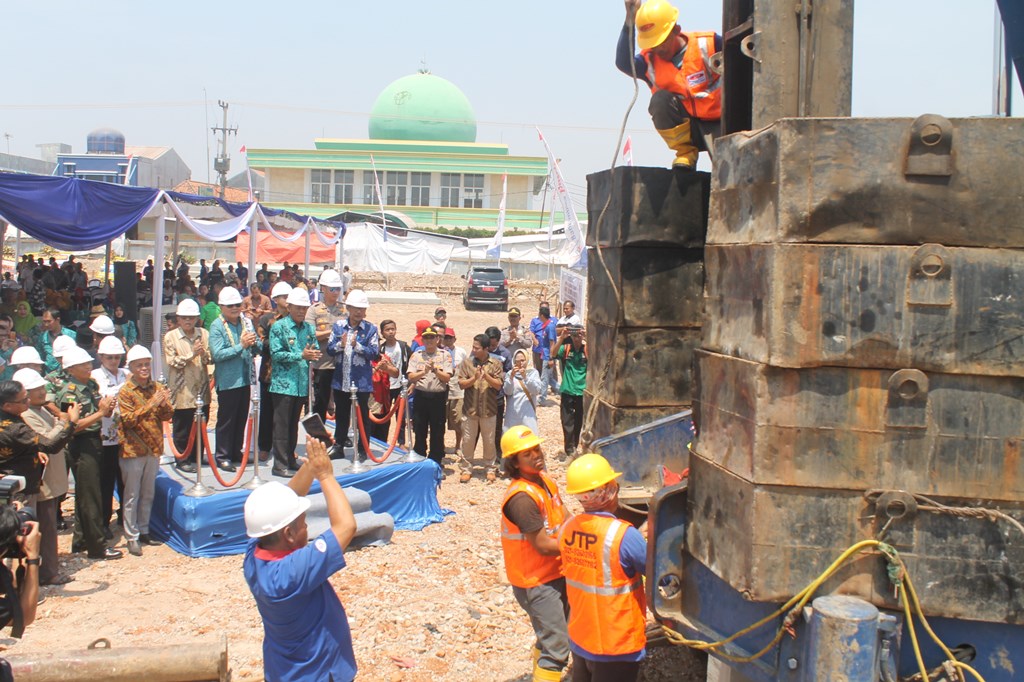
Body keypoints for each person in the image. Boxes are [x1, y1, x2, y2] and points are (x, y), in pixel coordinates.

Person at [243, 437, 358, 682]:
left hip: (283, 670)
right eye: (304, 524)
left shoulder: (255, 554)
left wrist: (311, 466)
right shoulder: (292, 572)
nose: (307, 529)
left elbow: (286, 500)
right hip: (316, 673)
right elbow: (346, 526)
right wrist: (325, 475)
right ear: (289, 533)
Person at [561, 454, 647, 682]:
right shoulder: (623, 535)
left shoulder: (568, 528)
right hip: (616, 645)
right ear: (607, 492)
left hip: (581, 638)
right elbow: (659, 572)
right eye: (613, 486)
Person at [499, 425, 570, 682]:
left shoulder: (545, 481)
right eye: (527, 453)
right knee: (557, 647)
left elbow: (565, 519)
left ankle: (540, 672)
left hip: (556, 572)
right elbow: (541, 544)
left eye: (537, 449)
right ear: (514, 463)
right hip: (536, 581)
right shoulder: (521, 499)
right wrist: (581, 547)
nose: (536, 455)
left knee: (550, 634)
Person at [618, 0, 721, 170]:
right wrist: (630, 19)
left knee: (728, 170)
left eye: (662, 41)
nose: (658, 48)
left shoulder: (709, 44)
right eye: (653, 43)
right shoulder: (649, 61)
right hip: (688, 129)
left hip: (722, 124)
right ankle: (685, 153)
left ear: (676, 30)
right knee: (659, 100)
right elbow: (623, 62)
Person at [54, 347, 120, 560]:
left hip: (95, 440)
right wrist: (101, 413)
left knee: (86, 493)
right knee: (91, 496)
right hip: (81, 444)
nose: (88, 366)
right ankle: (97, 546)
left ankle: (81, 540)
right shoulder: (69, 393)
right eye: (83, 364)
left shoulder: (90, 385)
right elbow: (72, 425)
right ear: (71, 369)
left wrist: (106, 409)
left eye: (88, 363)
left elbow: (99, 412)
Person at [18, 368, 78, 586]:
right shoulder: (27, 416)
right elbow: (49, 441)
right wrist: (66, 421)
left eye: (43, 388)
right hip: (41, 480)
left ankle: (46, 569)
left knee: (48, 524)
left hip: (50, 478)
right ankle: (47, 573)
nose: (43, 393)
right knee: (44, 526)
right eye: (37, 390)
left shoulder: (40, 410)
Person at [116, 346, 174, 557]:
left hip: (153, 447)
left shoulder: (155, 387)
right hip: (133, 449)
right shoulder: (125, 391)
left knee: (148, 492)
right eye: (139, 365)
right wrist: (152, 403)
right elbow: (128, 420)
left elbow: (167, 415)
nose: (144, 368)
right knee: (132, 494)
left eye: (146, 364)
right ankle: (131, 536)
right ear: (131, 367)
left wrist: (165, 402)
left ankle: (144, 529)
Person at [268, 288, 320, 477]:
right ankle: (279, 464)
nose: (301, 311)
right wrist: (301, 355)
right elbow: (276, 354)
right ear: (289, 307)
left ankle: (290, 458)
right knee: (281, 425)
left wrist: (313, 354)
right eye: (298, 308)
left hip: (301, 383)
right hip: (283, 384)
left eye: (304, 308)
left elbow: (313, 347)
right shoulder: (279, 327)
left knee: (292, 425)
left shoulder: (308, 328)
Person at [209, 287, 261, 472]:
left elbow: (257, 346)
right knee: (226, 419)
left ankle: (235, 451)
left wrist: (255, 343)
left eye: (237, 305)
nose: (234, 308)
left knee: (240, 417)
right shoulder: (217, 326)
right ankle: (222, 455)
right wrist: (242, 345)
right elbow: (217, 354)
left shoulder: (245, 322)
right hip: (228, 380)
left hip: (245, 378)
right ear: (222, 306)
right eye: (230, 305)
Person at [327, 290, 378, 458]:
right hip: (342, 379)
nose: (358, 312)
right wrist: (341, 345)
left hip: (361, 381)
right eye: (355, 308)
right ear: (348, 307)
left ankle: (363, 448)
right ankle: (339, 445)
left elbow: (374, 352)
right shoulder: (339, 326)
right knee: (341, 414)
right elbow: (329, 349)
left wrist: (358, 346)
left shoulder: (371, 329)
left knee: (362, 416)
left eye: (362, 309)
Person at [164, 299, 212, 475]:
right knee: (182, 425)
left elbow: (210, 359)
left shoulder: (203, 334)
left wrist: (203, 354)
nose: (188, 321)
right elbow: (172, 361)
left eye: (191, 318)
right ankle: (182, 458)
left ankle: (197, 455)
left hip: (201, 388)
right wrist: (192, 354)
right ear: (178, 319)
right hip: (182, 389)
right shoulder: (171, 336)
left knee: (201, 424)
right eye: (184, 318)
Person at [91, 336, 128, 539]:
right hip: (105, 436)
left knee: (125, 479)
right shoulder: (95, 376)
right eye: (109, 357)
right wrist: (125, 387)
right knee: (105, 481)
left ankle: (124, 515)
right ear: (101, 357)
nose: (114, 361)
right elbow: (105, 398)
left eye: (117, 357)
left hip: (125, 435)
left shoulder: (126, 373)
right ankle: (103, 521)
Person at [456, 334, 504, 483]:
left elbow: (498, 385)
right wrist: (474, 378)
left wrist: (486, 377)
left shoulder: (496, 363)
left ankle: (490, 468)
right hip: (470, 409)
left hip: (488, 410)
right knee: (468, 440)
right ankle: (466, 468)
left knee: (489, 440)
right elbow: (461, 384)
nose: (474, 350)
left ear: (485, 348)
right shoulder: (467, 364)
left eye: (477, 348)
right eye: (473, 347)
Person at [305, 269, 346, 424]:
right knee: (320, 401)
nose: (336, 292)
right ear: (323, 288)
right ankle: (319, 433)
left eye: (338, 289)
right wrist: (332, 332)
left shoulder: (344, 310)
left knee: (342, 401)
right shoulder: (314, 310)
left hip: (341, 362)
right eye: (332, 289)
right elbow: (309, 335)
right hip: (322, 363)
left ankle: (342, 435)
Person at [257, 282, 292, 463]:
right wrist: (284, 345)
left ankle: (285, 447)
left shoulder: (296, 319)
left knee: (286, 413)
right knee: (267, 411)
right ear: (276, 299)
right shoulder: (267, 320)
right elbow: (261, 343)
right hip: (270, 374)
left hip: (289, 374)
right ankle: (264, 446)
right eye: (284, 296)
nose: (287, 300)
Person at [405, 328, 452, 464]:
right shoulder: (417, 355)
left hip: (438, 397)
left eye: (432, 337)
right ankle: (419, 457)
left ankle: (435, 461)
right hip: (421, 396)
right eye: (426, 338)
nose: (429, 340)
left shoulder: (445, 355)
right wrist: (423, 372)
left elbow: (447, 378)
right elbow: (411, 376)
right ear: (423, 340)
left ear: (437, 339)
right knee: (420, 428)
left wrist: (436, 370)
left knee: (437, 431)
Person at [372, 319, 410, 446]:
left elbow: (409, 366)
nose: (391, 332)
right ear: (382, 333)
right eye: (387, 330)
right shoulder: (380, 350)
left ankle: (401, 442)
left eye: (392, 329)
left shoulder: (403, 347)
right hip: (383, 389)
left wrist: (411, 384)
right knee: (382, 417)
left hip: (400, 386)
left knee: (401, 416)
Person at [554, 325, 588, 459]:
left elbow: (595, 356)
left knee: (579, 420)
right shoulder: (566, 348)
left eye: (578, 335)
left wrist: (587, 338)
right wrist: (561, 338)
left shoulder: (586, 349)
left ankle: (574, 446)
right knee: (566, 420)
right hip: (567, 389)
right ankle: (569, 450)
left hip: (581, 391)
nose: (576, 338)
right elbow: (553, 353)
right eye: (574, 335)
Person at [504, 349, 543, 435]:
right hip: (512, 412)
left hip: (527, 411)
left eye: (522, 360)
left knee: (529, 438)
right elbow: (508, 391)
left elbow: (536, 390)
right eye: (517, 361)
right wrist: (511, 377)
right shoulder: (510, 374)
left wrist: (525, 377)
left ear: (527, 360)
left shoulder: (533, 373)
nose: (520, 363)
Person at [443, 328, 467, 457]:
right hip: (444, 389)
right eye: (446, 338)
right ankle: (441, 445)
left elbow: (467, 368)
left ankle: (458, 445)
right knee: (441, 419)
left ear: (455, 339)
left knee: (458, 420)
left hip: (458, 390)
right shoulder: (440, 352)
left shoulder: (461, 352)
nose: (448, 340)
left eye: (450, 338)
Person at [530, 302, 559, 400]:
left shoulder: (550, 327)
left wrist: (551, 358)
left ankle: (542, 398)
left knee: (544, 377)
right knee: (549, 378)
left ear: (542, 315)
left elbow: (552, 343)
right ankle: (563, 391)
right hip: (544, 354)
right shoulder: (546, 326)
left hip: (548, 356)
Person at [34, 307, 76, 374]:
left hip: (69, 373)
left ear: (57, 320)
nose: (46, 324)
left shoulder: (71, 335)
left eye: (49, 321)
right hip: (49, 375)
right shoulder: (42, 338)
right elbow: (40, 357)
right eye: (44, 321)